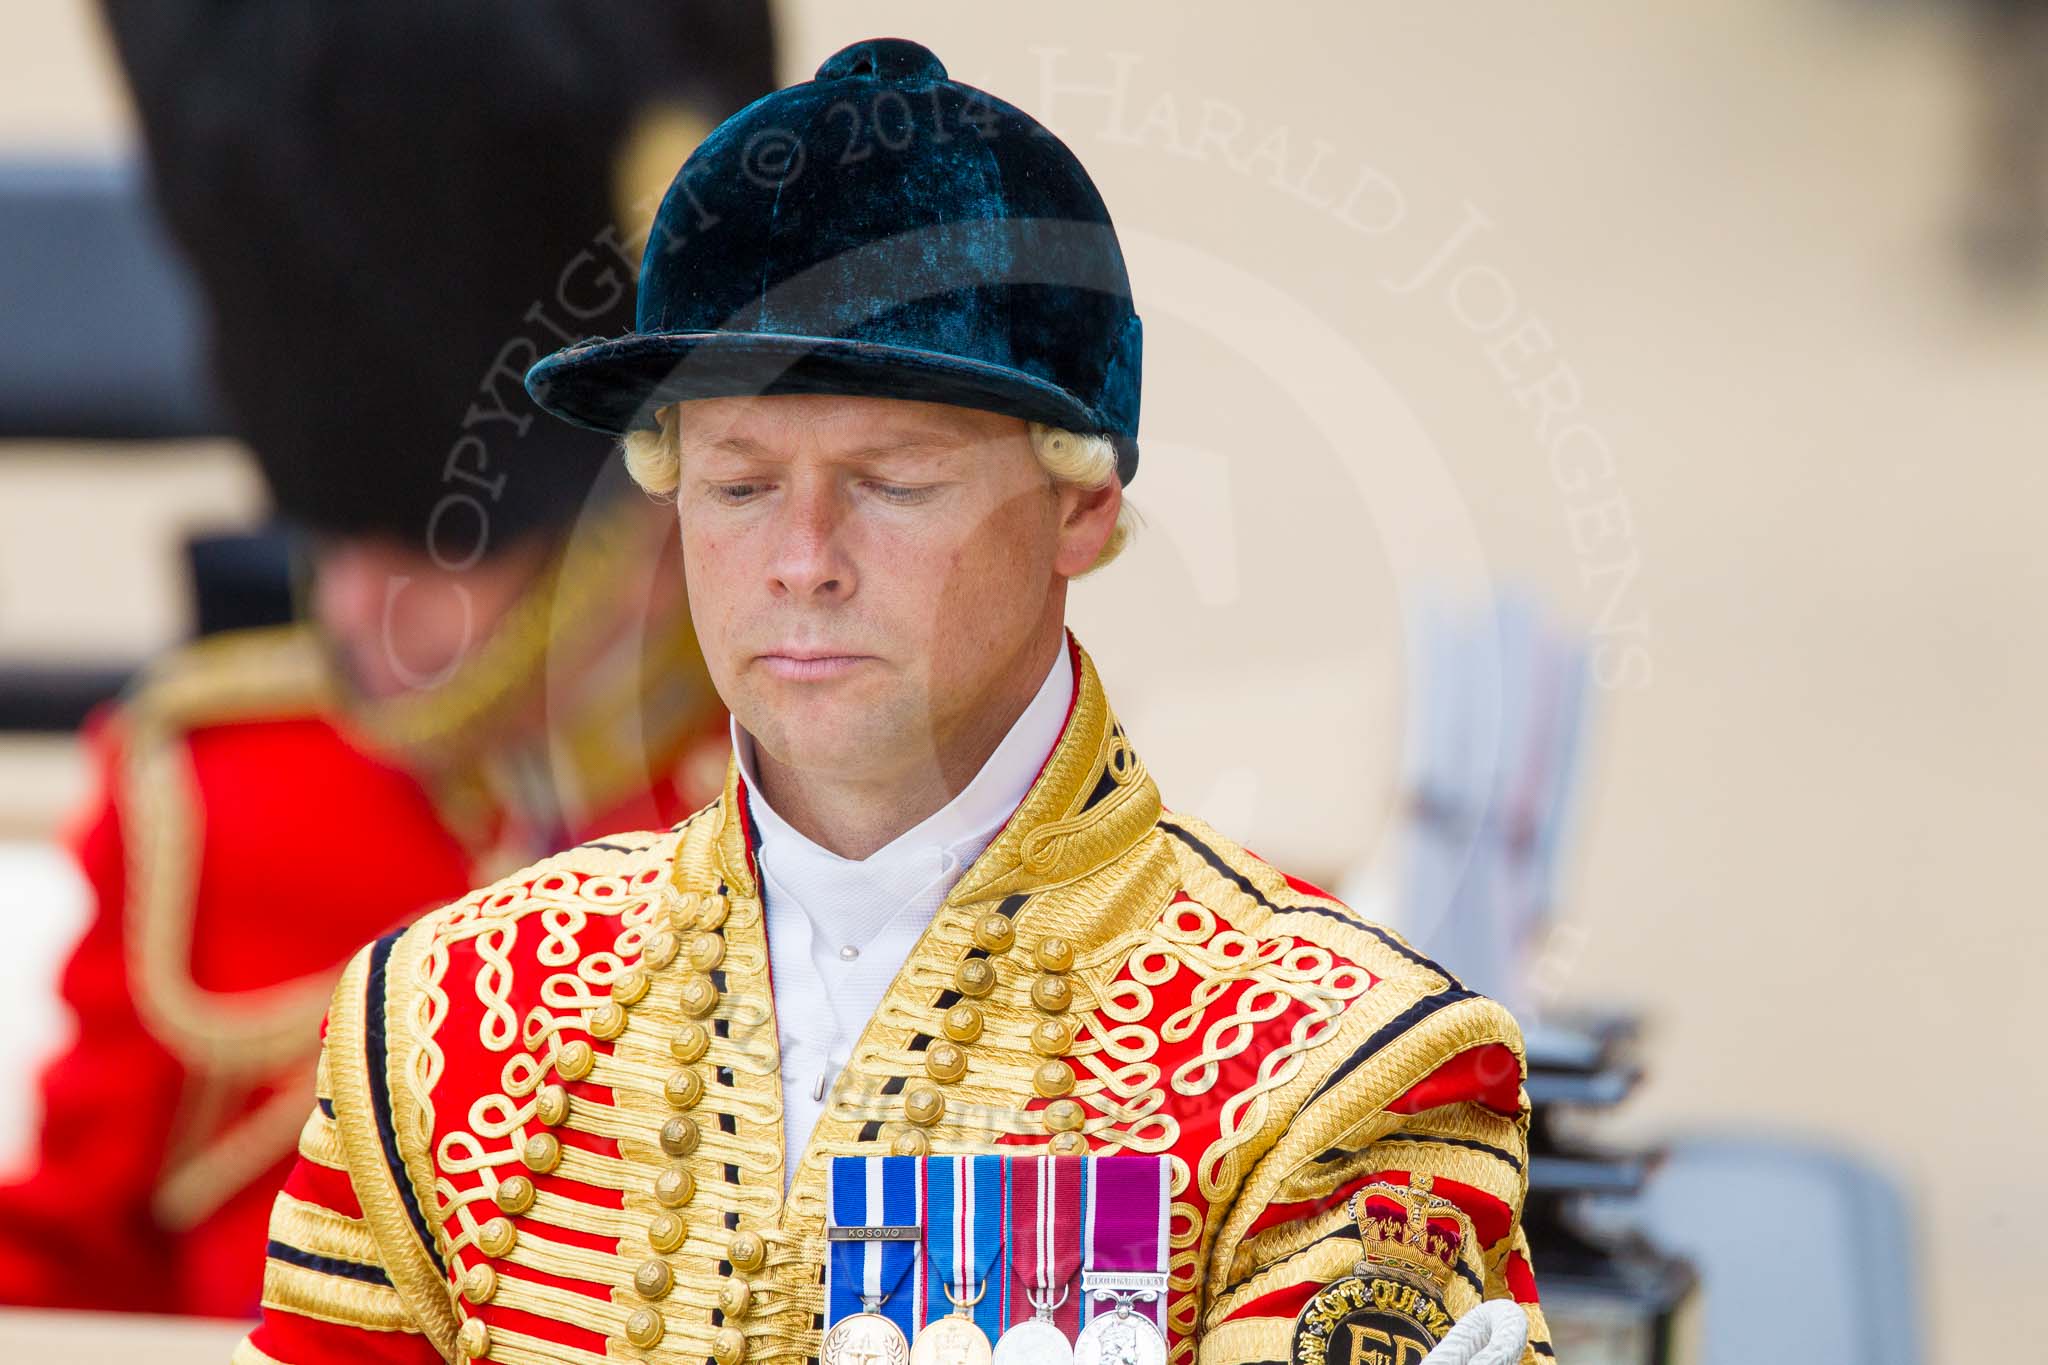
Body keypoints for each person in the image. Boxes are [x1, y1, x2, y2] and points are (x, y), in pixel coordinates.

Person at [239, 38, 1553, 1364]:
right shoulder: (442, 1016)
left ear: (1081, 505)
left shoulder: (1334, 1069)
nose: (802, 558)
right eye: (742, 484)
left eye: (895, 482)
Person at [0, 1, 773, 1318]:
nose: (355, 601)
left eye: (432, 541)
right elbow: (70, 1266)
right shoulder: (217, 803)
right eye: (338, 529)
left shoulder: (875, 810)